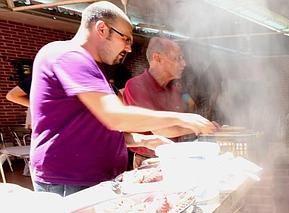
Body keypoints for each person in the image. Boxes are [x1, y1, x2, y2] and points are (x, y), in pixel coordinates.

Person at [29, 1, 215, 196]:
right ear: (101, 29)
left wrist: (145, 140)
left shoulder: (90, 66)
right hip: (70, 181)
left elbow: (98, 128)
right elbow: (114, 116)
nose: (128, 48)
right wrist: (182, 118)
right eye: (125, 39)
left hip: (94, 179)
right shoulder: (67, 55)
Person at [123, 37, 196, 167]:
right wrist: (199, 127)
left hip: (176, 157)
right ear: (157, 58)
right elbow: (163, 130)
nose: (184, 63)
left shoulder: (175, 88)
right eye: (177, 58)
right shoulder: (136, 86)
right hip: (148, 162)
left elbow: (189, 106)